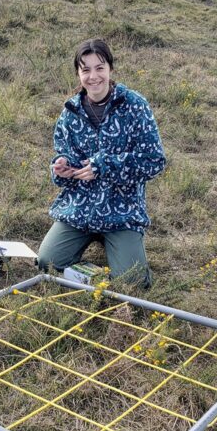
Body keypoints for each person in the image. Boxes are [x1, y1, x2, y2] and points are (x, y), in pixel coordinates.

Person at [36, 38, 166, 287]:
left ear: (110, 70)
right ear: (78, 73)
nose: (93, 76)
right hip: (79, 209)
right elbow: (64, 157)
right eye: (86, 70)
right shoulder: (70, 112)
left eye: (99, 68)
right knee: (46, 263)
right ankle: (95, 257)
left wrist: (105, 166)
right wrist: (62, 167)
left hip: (122, 212)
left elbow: (155, 161)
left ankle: (121, 249)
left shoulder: (135, 106)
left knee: (133, 283)